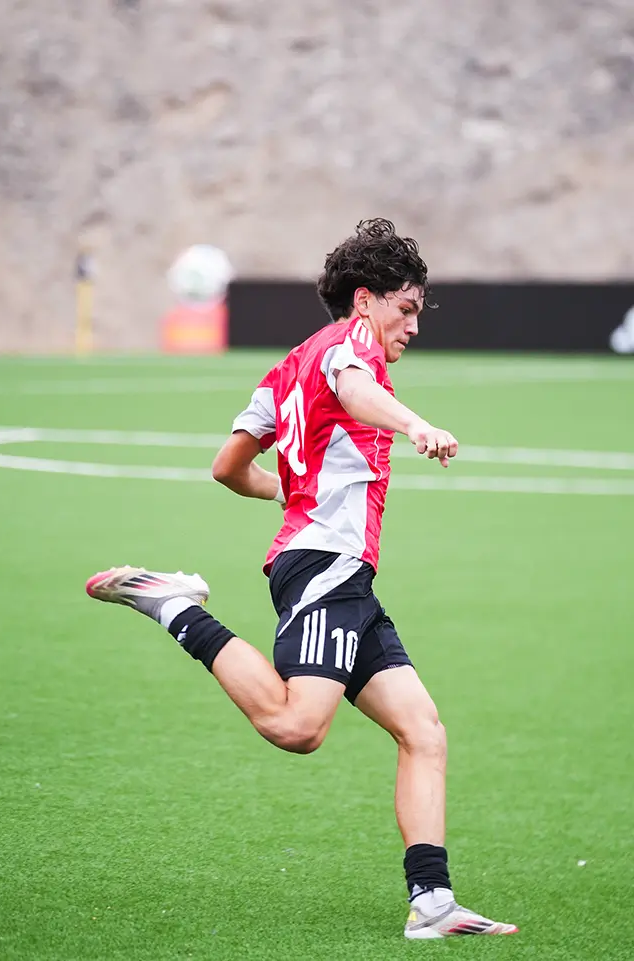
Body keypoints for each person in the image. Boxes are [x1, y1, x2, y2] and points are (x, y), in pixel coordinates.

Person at [86, 219, 518, 940]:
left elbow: (226, 466)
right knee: (296, 725)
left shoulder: (288, 366)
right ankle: (173, 606)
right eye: (405, 307)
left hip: (339, 568)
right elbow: (354, 392)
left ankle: (432, 903)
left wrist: (289, 490)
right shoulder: (352, 352)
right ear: (365, 300)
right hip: (323, 565)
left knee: (423, 729)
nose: (412, 325)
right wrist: (413, 425)